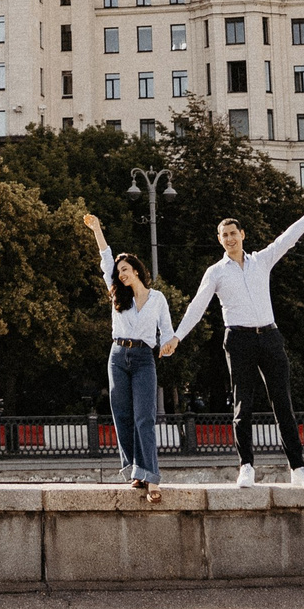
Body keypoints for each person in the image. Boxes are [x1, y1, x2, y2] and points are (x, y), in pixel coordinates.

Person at [163, 192, 304, 488]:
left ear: (243, 235)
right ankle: (246, 466)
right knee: (243, 405)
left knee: (282, 403)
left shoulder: (261, 261)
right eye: (224, 235)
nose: (229, 239)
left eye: (233, 233)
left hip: (269, 336)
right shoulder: (215, 272)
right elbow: (197, 306)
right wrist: (177, 337)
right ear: (220, 240)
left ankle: (298, 468)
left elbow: (286, 239)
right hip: (238, 339)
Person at [82, 212, 172, 501]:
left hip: (144, 358)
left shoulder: (157, 298)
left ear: (136, 270)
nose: (120, 274)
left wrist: (169, 343)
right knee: (121, 415)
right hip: (118, 356)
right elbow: (105, 256)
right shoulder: (117, 295)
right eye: (118, 271)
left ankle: (152, 478)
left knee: (144, 417)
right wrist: (97, 228)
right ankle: (136, 472)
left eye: (125, 269)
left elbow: (167, 331)